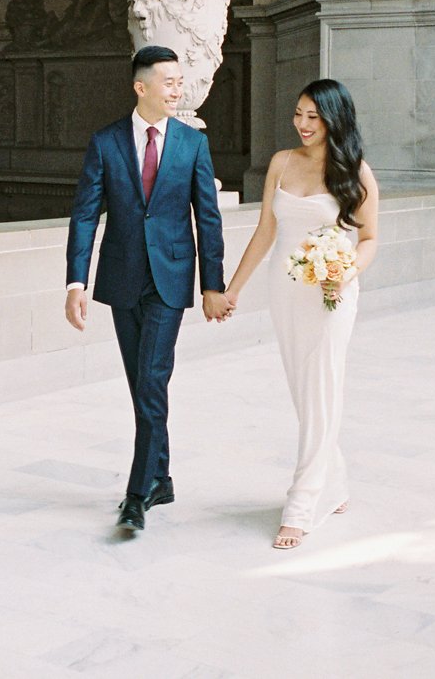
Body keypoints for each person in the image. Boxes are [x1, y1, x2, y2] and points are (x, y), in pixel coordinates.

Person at [65, 45, 231, 534]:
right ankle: (161, 475)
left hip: (171, 279)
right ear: (142, 88)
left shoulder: (192, 144)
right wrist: (78, 280)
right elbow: (84, 214)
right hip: (121, 279)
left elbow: (209, 218)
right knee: (143, 382)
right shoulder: (106, 142)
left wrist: (212, 285)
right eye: (169, 82)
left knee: (152, 378)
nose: (177, 89)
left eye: (180, 81)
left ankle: (138, 493)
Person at [225, 79, 378, 549]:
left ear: (335, 118)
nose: (303, 124)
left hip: (331, 294)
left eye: (314, 116)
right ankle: (334, 482)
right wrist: (232, 290)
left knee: (322, 388)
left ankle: (303, 503)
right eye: (298, 114)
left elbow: (370, 239)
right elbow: (265, 231)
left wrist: (345, 273)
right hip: (285, 289)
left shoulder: (355, 171)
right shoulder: (281, 162)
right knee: (304, 392)